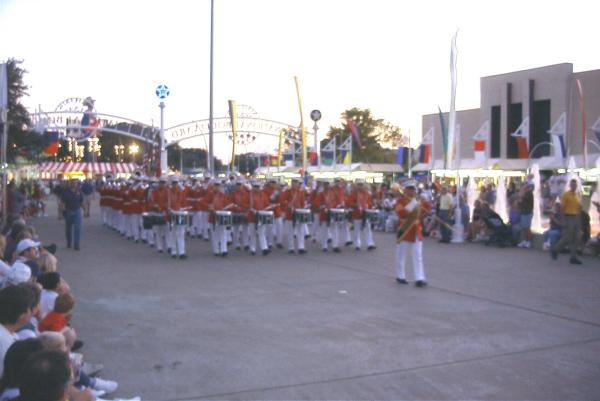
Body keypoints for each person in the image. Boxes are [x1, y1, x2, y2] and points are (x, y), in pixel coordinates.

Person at [394, 181, 431, 287]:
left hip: (416, 230)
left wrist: (425, 205)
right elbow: (400, 213)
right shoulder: (400, 201)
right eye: (409, 189)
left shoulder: (418, 200)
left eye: (413, 189)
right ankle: (400, 276)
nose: (412, 191)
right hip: (405, 229)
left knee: (417, 255)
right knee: (401, 254)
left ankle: (419, 278)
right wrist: (411, 205)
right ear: (405, 190)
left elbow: (426, 209)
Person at [0, 285, 33, 376]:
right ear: (21, 316)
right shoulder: (7, 345)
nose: (32, 312)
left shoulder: (9, 336)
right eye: (30, 308)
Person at [551, 179, 582, 265]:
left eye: (575, 185)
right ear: (570, 185)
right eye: (572, 185)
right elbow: (562, 208)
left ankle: (573, 257)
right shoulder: (566, 195)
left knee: (576, 238)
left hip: (576, 217)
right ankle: (555, 250)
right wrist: (563, 219)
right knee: (567, 237)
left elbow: (578, 207)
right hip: (568, 217)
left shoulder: (576, 195)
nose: (574, 186)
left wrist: (579, 218)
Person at [60, 179, 83, 250]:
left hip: (77, 211)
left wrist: (85, 211)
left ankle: (76, 244)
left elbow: (81, 202)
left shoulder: (79, 192)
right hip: (68, 211)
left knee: (77, 228)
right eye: (73, 183)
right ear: (70, 184)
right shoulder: (66, 192)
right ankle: (69, 243)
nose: (74, 184)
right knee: (68, 229)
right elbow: (62, 203)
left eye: (76, 183)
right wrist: (62, 212)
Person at [517, 182, 534, 248]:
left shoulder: (529, 193)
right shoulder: (525, 193)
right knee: (524, 228)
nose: (522, 188)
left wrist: (521, 191)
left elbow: (521, 196)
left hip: (528, 212)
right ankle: (524, 241)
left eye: (523, 186)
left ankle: (529, 241)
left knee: (527, 228)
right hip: (523, 212)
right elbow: (520, 201)